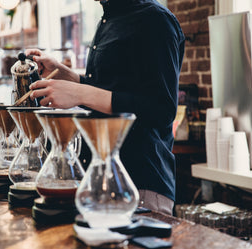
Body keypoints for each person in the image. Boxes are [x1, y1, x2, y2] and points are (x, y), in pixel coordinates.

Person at [26, 0, 185, 215]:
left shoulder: (155, 20)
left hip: (139, 185)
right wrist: (69, 77)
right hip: (104, 179)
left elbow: (161, 109)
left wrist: (78, 93)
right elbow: (112, 91)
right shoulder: (110, 17)